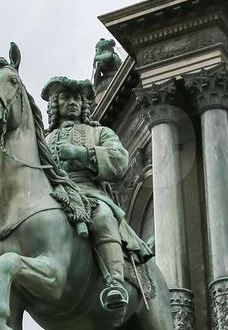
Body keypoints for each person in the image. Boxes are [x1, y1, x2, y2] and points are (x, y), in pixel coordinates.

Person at [39, 76, 154, 312]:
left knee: (102, 216)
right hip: (52, 196)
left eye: (76, 99)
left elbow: (119, 160)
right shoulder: (43, 139)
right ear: (55, 106)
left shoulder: (100, 132)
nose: (72, 103)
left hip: (89, 193)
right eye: (65, 98)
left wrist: (79, 153)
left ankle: (115, 283)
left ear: (83, 105)